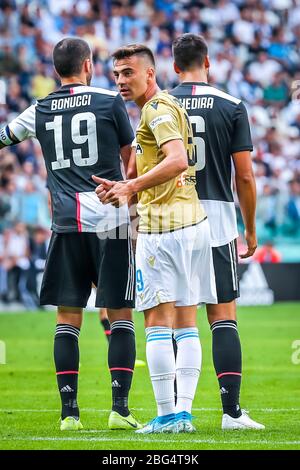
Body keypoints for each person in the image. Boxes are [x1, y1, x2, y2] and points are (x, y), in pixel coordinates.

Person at [0, 37, 142, 432]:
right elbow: (131, 157)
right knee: (120, 313)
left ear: (55, 70)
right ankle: (119, 408)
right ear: (88, 64)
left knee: (67, 317)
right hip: (111, 220)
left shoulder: (40, 108)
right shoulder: (109, 100)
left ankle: (69, 415)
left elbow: (4, 136)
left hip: (65, 221)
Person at [93, 44, 217, 434]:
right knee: (187, 322)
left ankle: (167, 415)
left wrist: (130, 186)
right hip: (193, 222)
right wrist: (128, 184)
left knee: (158, 324)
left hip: (164, 229)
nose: (120, 81)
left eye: (128, 72)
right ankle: (183, 415)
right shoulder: (169, 105)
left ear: (151, 73)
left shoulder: (156, 109)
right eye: (115, 74)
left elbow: (178, 159)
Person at [171, 33, 265, 430]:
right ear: (207, 62)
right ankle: (231, 413)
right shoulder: (231, 105)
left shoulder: (160, 103)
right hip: (217, 220)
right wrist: (251, 229)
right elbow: (244, 175)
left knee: (178, 318)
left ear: (175, 67)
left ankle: (176, 413)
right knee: (223, 315)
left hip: (171, 219)